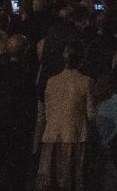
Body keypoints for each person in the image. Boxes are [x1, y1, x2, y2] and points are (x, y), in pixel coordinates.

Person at [38, 43, 96, 191]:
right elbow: (90, 114)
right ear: (81, 61)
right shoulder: (86, 81)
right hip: (74, 136)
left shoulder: (51, 81)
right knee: (71, 180)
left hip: (52, 136)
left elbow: (48, 111)